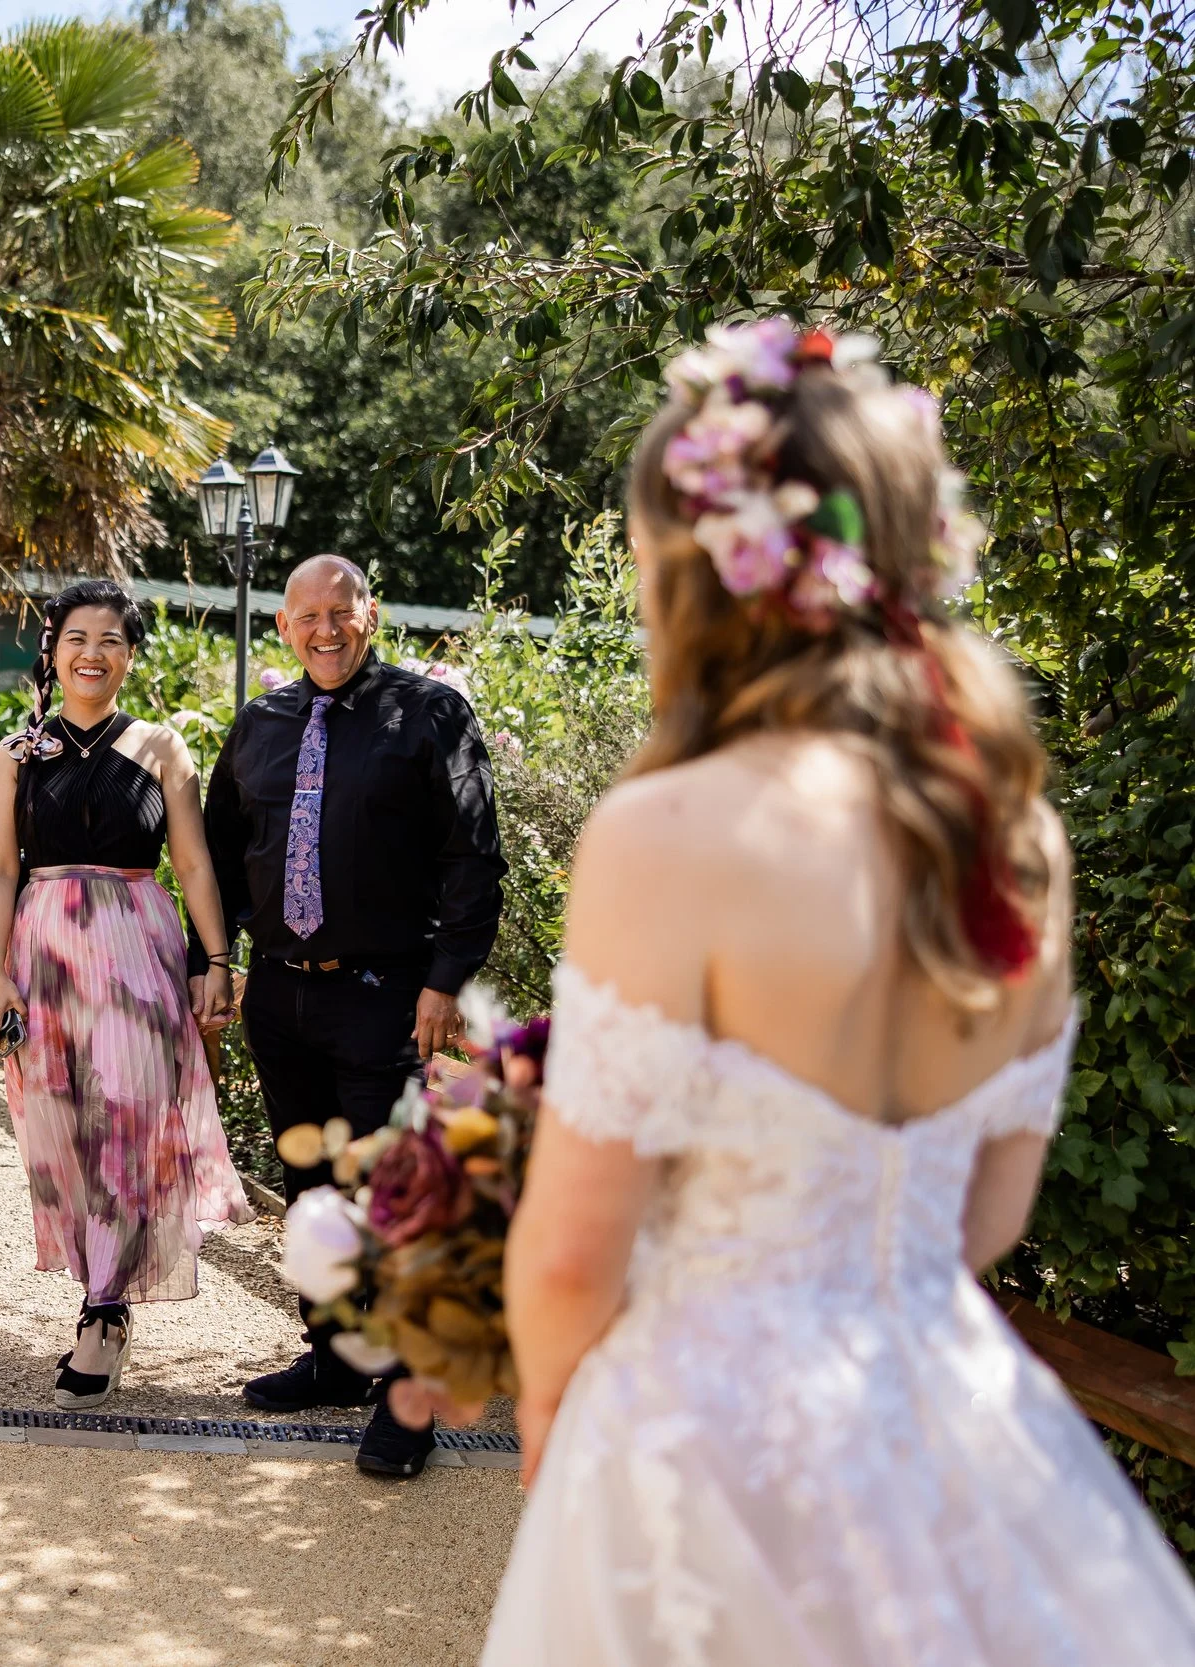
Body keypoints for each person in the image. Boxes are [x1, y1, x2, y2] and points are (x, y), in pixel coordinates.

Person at [476, 320, 1195, 1664]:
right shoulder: (1013, 837)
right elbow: (983, 1215)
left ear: (699, 576)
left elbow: (574, 1252)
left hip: (704, 1450)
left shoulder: (670, 831)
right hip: (954, 1428)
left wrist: (552, 1400)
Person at [204, 552, 505, 1475]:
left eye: (342, 611)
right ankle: (335, 1359)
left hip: (387, 995)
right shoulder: (258, 724)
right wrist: (213, 960)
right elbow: (218, 852)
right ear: (286, 628)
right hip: (285, 993)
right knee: (313, 1192)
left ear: (370, 614)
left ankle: (410, 1395)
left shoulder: (429, 715)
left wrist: (447, 977)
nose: (326, 629)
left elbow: (472, 855)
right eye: (308, 616)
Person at [0, 579, 250, 1408]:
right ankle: (101, 1292)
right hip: (43, 952)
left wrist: (217, 959)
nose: (93, 653)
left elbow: (195, 864)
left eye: (112, 639)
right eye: (77, 638)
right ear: (52, 650)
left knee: (129, 1118)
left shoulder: (163, 748)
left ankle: (105, 1309)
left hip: (137, 951)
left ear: (130, 654)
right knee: (60, 1121)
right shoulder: (19, 753)